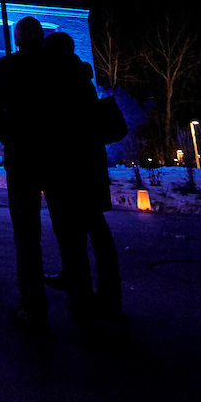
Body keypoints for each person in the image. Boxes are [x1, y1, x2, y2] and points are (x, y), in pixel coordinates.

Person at [42, 32, 123, 323]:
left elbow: (57, 127)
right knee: (96, 229)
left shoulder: (56, 81)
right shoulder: (82, 77)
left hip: (67, 167)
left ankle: (81, 292)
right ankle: (108, 294)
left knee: (72, 232)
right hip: (90, 164)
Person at [0, 16, 54, 332]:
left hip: (22, 156)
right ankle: (82, 301)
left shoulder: (7, 67)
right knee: (70, 230)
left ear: (16, 39)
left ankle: (33, 304)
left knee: (26, 233)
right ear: (41, 37)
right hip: (57, 155)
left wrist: (8, 133)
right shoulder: (58, 66)